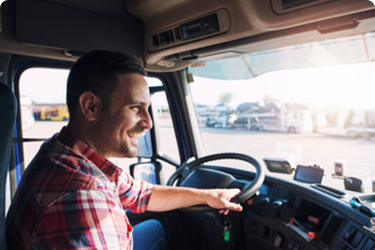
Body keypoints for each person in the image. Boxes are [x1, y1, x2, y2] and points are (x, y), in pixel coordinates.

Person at [6, 50, 242, 250]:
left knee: (154, 227)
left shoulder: (65, 151)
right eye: (135, 107)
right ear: (91, 106)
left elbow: (139, 193)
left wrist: (210, 196)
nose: (148, 122)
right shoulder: (84, 202)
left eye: (147, 108)